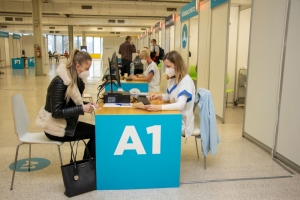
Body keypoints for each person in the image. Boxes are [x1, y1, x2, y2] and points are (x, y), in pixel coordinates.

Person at [36, 49, 98, 158]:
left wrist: (89, 104)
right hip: (55, 127)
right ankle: (88, 167)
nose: (88, 71)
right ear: (78, 66)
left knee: (97, 131)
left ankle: (87, 165)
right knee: (97, 132)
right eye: (87, 68)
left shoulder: (74, 80)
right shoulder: (59, 82)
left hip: (66, 123)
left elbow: (71, 102)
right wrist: (82, 108)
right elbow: (56, 112)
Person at [146, 50, 195, 137]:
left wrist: (159, 107)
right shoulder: (173, 78)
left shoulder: (186, 81)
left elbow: (180, 104)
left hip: (182, 121)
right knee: (153, 122)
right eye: (166, 66)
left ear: (177, 65)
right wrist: (159, 96)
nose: (167, 69)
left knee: (158, 126)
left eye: (169, 66)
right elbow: (170, 97)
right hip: (174, 115)